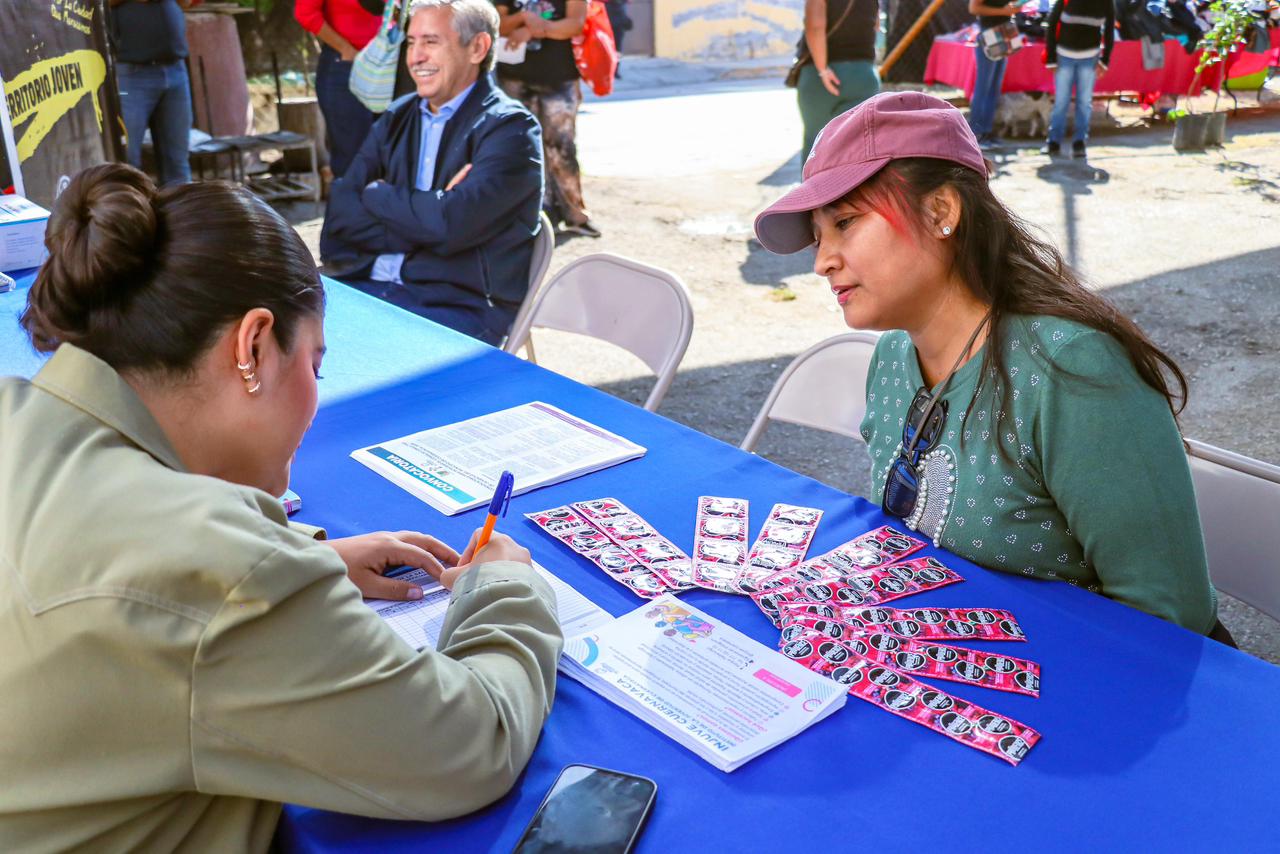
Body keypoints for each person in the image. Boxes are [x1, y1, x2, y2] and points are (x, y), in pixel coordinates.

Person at [0, 163, 563, 848]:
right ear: (254, 346)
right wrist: (505, 586)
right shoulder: (221, 570)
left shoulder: (15, 412)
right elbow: (472, 743)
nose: (315, 396)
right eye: (315, 364)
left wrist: (302, 558)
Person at [754, 92, 1225, 639]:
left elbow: (1171, 617)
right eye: (817, 237)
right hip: (946, 659)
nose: (821, 262)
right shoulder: (891, 358)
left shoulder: (1070, 369)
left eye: (845, 222)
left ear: (941, 211)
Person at [321, 0, 544, 345]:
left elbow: (450, 224)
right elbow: (338, 220)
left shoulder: (510, 129)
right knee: (272, 337)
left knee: (339, 359)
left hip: (458, 305)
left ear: (478, 48)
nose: (415, 57)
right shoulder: (398, 116)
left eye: (431, 41)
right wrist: (430, 222)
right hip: (367, 283)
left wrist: (377, 195)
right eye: (411, 42)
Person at [494, 0, 600, 238]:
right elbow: (498, 25)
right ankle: (534, 215)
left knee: (562, 148)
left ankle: (575, 214)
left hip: (559, 79)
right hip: (513, 78)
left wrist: (530, 30)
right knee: (521, 150)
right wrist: (523, 17)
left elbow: (575, 24)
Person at [108, 0, 195, 185]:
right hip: (131, 73)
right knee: (126, 162)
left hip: (175, 68)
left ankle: (180, 204)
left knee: (177, 162)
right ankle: (130, 204)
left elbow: (186, 3)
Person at [293, 0, 384, 178]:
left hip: (386, 65)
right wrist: (346, 49)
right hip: (345, 67)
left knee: (391, 161)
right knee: (354, 164)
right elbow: (305, 13)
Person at [796, 0, 881, 161]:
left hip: (822, 77)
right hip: (864, 74)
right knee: (859, 148)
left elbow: (815, 26)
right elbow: (875, 26)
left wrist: (822, 69)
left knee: (816, 143)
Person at [1041, 0, 1114, 159]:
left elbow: (1109, 30)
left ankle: (1079, 143)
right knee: (1061, 101)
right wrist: (1051, 58)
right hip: (1063, 57)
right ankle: (1053, 142)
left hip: (1090, 58)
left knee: (1084, 102)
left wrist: (1105, 60)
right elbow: (1051, 25)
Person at [967, 0, 1020, 148]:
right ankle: (976, 134)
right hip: (989, 35)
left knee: (994, 89)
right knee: (983, 87)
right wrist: (1004, 11)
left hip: (1004, 33)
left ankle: (987, 131)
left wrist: (1015, 6)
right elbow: (974, 8)